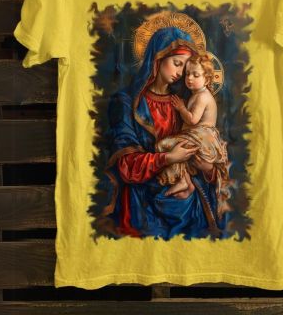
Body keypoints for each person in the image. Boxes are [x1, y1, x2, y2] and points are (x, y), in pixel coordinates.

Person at [94, 25, 233, 241]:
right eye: (177, 63)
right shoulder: (127, 103)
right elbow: (124, 164)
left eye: (186, 68)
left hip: (190, 205)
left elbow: (206, 156)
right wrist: (167, 158)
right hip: (143, 203)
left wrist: (207, 169)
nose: (182, 74)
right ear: (157, 58)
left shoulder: (182, 103)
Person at [155, 53, 231, 215]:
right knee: (175, 150)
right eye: (187, 74)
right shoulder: (196, 94)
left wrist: (181, 108)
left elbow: (193, 119)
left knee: (164, 145)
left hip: (202, 138)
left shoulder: (202, 97)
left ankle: (183, 181)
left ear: (207, 79)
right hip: (197, 136)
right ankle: (185, 182)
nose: (189, 78)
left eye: (196, 75)